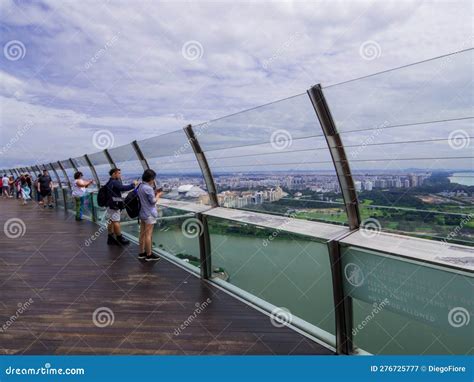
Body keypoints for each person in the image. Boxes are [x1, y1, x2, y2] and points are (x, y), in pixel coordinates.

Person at [105, 168, 136, 245]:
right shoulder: (115, 182)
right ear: (114, 174)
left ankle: (110, 238)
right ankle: (120, 238)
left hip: (110, 204)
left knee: (111, 221)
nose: (120, 174)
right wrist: (133, 185)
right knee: (116, 221)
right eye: (118, 173)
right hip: (114, 205)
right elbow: (122, 188)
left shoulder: (109, 182)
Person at [137, 169, 163, 262]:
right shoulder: (148, 188)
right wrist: (158, 194)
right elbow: (153, 201)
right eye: (153, 178)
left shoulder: (140, 186)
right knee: (148, 235)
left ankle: (141, 253)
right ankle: (149, 255)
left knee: (142, 234)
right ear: (151, 178)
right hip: (149, 214)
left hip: (142, 213)